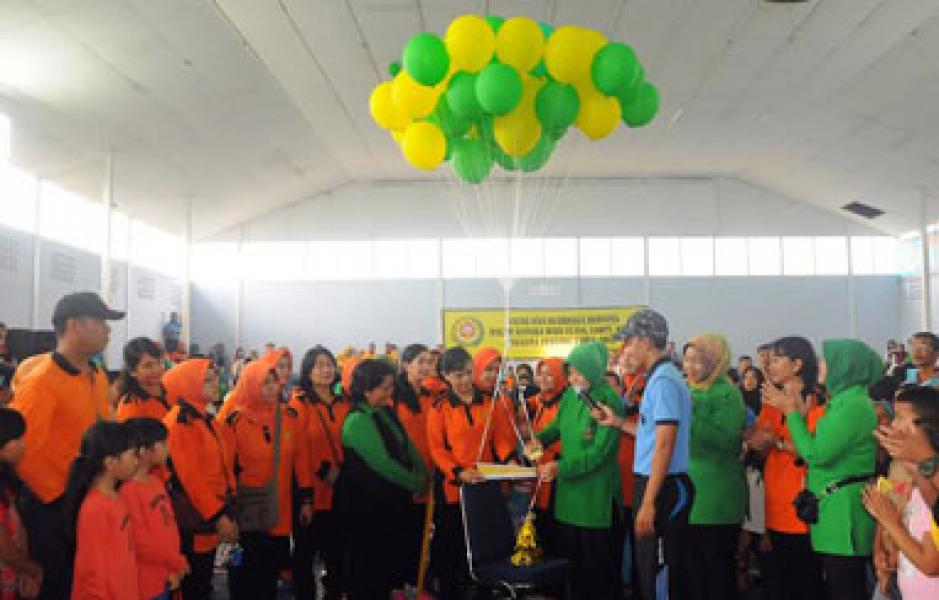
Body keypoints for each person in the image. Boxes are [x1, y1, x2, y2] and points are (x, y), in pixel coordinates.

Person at [12, 291, 123, 600]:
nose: (108, 330)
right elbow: (22, 453)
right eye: (101, 322)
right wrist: (64, 497)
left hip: (89, 497)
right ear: (76, 325)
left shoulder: (97, 375)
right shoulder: (43, 383)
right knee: (58, 586)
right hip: (55, 508)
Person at [763, 339, 880, 600]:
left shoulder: (852, 406)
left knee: (845, 586)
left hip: (843, 511)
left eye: (826, 360)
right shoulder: (841, 402)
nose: (820, 365)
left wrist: (791, 413)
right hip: (832, 507)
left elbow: (815, 454)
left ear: (845, 366)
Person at [595, 309, 694, 600]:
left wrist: (649, 502)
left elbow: (665, 445)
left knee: (659, 573)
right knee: (647, 570)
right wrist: (617, 422)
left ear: (646, 341)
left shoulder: (663, 381)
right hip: (656, 483)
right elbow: (653, 434)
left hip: (662, 487)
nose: (626, 349)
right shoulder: (659, 378)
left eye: (628, 341)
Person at [528, 341, 622, 600]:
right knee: (573, 568)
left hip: (595, 500)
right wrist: (539, 439)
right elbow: (558, 427)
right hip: (569, 497)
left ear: (593, 369)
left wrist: (560, 466)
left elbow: (599, 454)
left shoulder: (609, 400)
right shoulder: (572, 395)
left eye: (578, 372)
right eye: (569, 373)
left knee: (598, 572)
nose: (572, 378)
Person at [427, 347, 516, 600]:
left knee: (485, 547)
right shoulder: (439, 408)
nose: (465, 381)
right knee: (451, 549)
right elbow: (437, 449)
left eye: (468, 373)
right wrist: (458, 472)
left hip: (486, 485)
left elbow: (501, 440)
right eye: (458, 376)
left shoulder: (490, 402)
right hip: (454, 490)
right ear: (445, 376)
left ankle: (484, 591)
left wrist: (509, 459)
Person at [220, 361, 313, 600]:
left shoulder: (289, 417)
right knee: (245, 573)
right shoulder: (234, 420)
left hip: (278, 511)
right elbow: (225, 468)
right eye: (264, 383)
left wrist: (305, 498)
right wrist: (226, 512)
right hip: (247, 510)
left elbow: (301, 460)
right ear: (250, 384)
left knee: (269, 574)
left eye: (274, 382)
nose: (273, 388)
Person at [337, 359, 428, 600]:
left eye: (391, 388)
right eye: (385, 389)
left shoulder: (384, 411)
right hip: (365, 510)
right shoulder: (357, 421)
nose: (390, 394)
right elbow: (383, 464)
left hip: (390, 506)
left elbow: (407, 445)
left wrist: (424, 472)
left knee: (386, 567)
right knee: (367, 571)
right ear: (367, 390)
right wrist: (415, 482)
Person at [748, 337, 825, 600]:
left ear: (797, 364)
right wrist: (756, 442)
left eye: (777, 359)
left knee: (806, 582)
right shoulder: (771, 403)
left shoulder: (817, 401)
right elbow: (761, 441)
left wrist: (779, 441)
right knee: (777, 583)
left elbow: (813, 450)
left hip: (805, 507)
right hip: (775, 502)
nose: (769, 365)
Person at [163, 358, 238, 600]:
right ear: (188, 384)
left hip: (209, 515)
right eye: (206, 380)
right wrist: (218, 516)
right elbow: (191, 479)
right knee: (194, 583)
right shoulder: (181, 423)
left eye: (215, 378)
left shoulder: (204, 419)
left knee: (202, 580)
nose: (215, 384)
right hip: (196, 519)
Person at [681, 335, 747, 600]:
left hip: (716, 498)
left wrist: (690, 412)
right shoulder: (686, 389)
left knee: (716, 572)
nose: (691, 367)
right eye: (687, 359)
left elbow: (728, 441)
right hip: (686, 495)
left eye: (699, 361)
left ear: (716, 362)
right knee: (692, 573)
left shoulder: (727, 394)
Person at [863, 385, 939, 598]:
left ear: (926, 426)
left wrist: (889, 520)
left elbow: (931, 564)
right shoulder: (914, 474)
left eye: (899, 417)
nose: (891, 424)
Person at [288, 346, 349, 600]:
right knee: (305, 555)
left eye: (329, 364)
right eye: (319, 365)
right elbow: (298, 449)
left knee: (337, 555)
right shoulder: (299, 404)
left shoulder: (345, 402)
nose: (326, 370)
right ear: (308, 371)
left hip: (341, 490)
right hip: (310, 491)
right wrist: (307, 494)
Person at [64, 421, 139, 600]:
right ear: (111, 463)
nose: (137, 461)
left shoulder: (114, 496)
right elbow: (95, 576)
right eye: (132, 455)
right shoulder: (95, 510)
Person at [119, 418, 188, 600]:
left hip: (166, 574)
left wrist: (174, 564)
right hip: (147, 582)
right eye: (163, 444)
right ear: (143, 451)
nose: (168, 449)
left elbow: (169, 526)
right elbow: (141, 542)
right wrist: (175, 561)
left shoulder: (156, 482)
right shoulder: (128, 491)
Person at [391, 344, 436, 592]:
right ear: (406, 364)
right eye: (420, 361)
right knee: (401, 532)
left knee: (421, 533)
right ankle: (398, 585)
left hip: (429, 474)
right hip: (403, 475)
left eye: (429, 362)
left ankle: (416, 583)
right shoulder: (394, 396)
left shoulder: (431, 396)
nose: (426, 367)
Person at [528, 357, 569, 557]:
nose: (543, 378)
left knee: (555, 528)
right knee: (542, 526)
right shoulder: (542, 401)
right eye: (540, 373)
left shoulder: (566, 403)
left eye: (549, 374)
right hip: (541, 473)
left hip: (557, 474)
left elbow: (565, 439)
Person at [0, 408, 41, 599]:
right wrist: (31, 569)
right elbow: (4, 548)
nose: (23, 446)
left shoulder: (8, 476)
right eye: (17, 440)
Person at [115, 338, 170, 422]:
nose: (157, 369)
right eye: (148, 366)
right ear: (132, 371)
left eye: (159, 362)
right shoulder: (131, 407)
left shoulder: (172, 389)